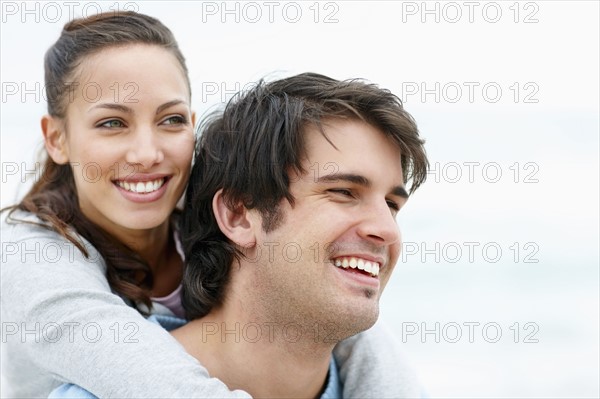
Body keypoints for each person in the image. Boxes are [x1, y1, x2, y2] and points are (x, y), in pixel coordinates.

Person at [1, 11, 422, 398]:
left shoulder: (207, 213)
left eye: (171, 120)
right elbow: (160, 382)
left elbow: (348, 326)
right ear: (56, 138)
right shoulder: (32, 258)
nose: (147, 153)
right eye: (112, 123)